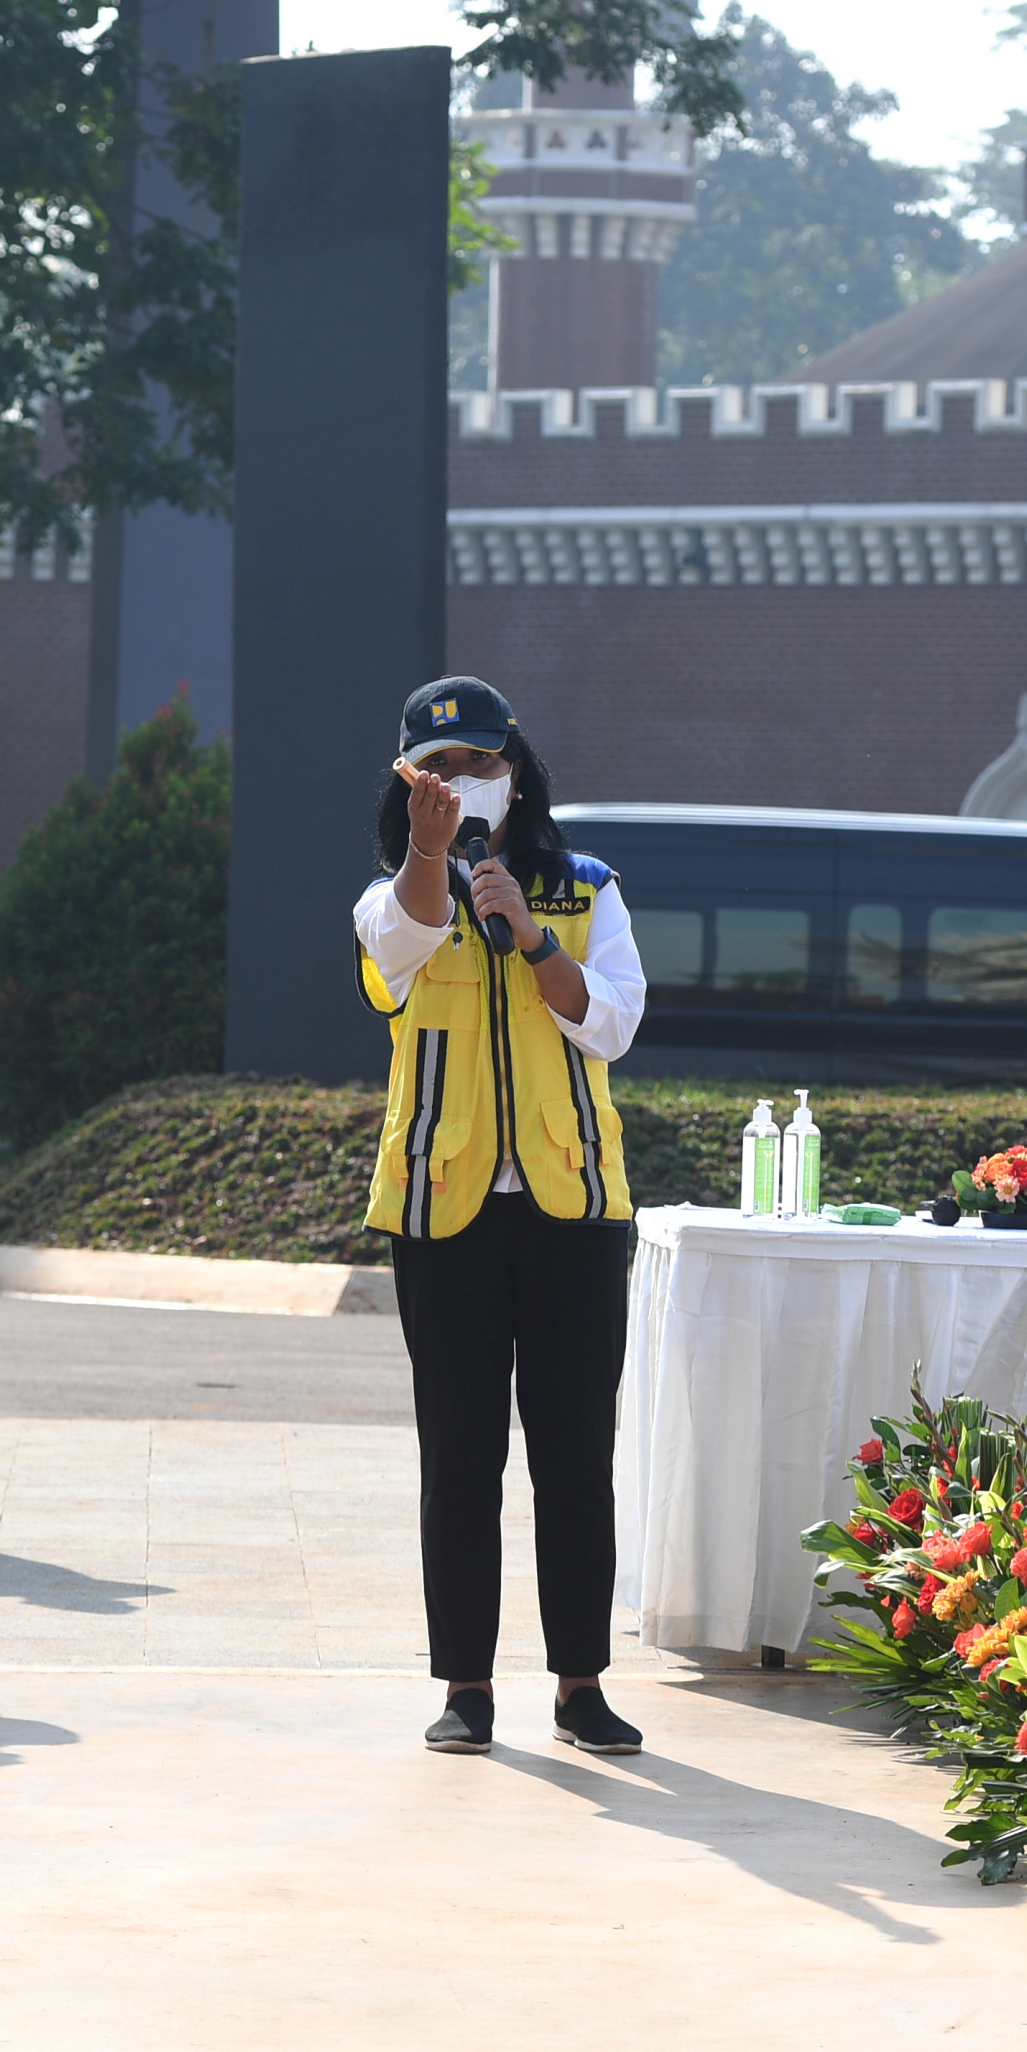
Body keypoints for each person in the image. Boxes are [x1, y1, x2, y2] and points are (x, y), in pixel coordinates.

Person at [352, 676, 648, 1760]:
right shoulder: (390, 899)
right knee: (461, 1460)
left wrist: (530, 936)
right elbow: (396, 963)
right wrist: (433, 857)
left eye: (481, 765)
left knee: (576, 1455)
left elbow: (612, 1024)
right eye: (440, 772)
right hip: (445, 1211)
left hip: (572, 1210)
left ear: (517, 775)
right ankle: (465, 1688)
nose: (465, 786)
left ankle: (580, 1685)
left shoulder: (586, 888)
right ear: (410, 789)